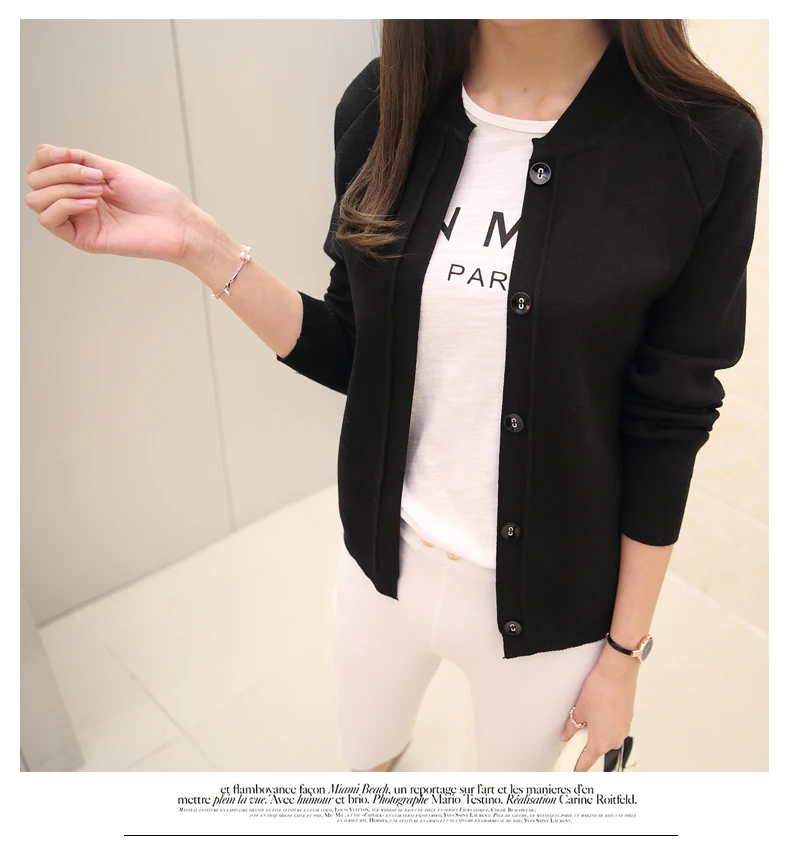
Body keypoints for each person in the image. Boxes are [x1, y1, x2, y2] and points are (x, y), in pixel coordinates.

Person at [24, 19, 763, 773]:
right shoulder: (383, 102)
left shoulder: (704, 142)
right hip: (378, 567)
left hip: (554, 610)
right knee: (368, 776)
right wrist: (196, 242)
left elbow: (667, 422)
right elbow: (357, 347)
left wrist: (624, 655)